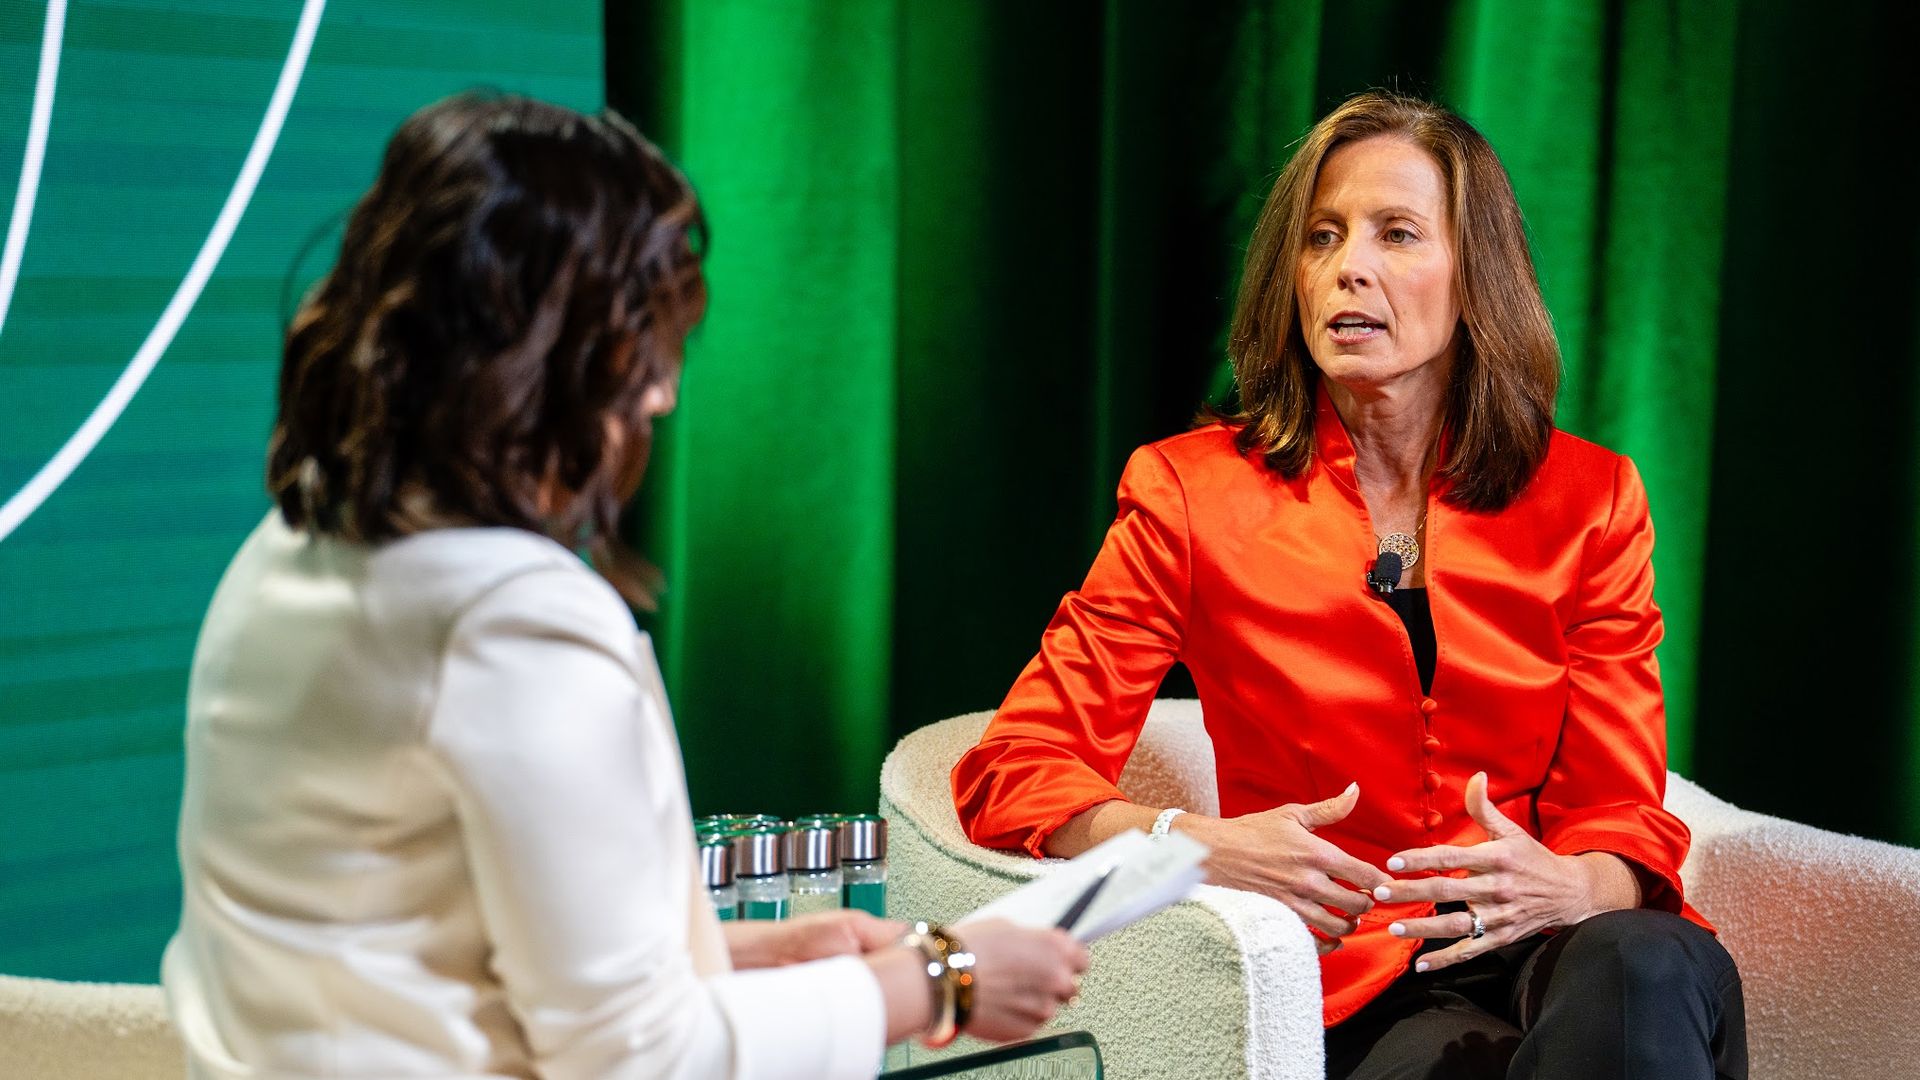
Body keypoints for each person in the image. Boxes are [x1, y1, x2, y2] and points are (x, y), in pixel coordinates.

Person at [161, 93, 1087, 1080]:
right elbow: (640, 1063)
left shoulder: (287, 549)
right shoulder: (511, 623)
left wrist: (738, 956)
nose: (662, 392)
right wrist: (943, 977)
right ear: (539, 354)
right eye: (641, 342)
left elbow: (408, 958)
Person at [951, 91, 1746, 1078]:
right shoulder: (1191, 493)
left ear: (1476, 278)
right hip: (1361, 978)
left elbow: (1622, 807)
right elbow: (1015, 766)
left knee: (1643, 966)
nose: (1347, 267)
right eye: (1320, 238)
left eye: (1396, 233)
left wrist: (1574, 883)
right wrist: (1186, 842)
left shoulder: (1588, 498)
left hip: (1563, 946)